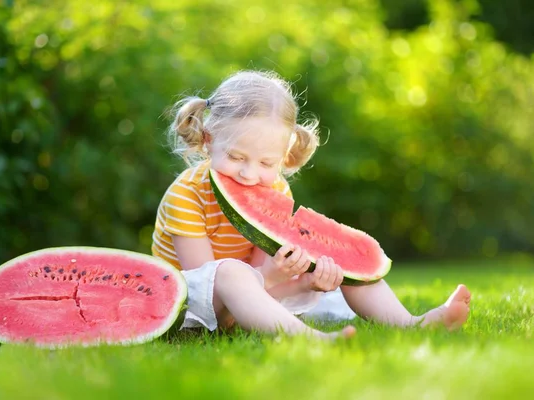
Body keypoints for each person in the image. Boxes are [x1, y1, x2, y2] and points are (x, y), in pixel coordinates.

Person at [152, 70, 471, 341]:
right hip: (192, 309)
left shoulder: (276, 188)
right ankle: (311, 340)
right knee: (231, 271)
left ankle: (411, 324)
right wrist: (272, 277)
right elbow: (203, 288)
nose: (250, 175)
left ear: (283, 155)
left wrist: (306, 280)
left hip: (254, 297)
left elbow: (263, 278)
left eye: (266, 163)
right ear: (208, 139)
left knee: (344, 258)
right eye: (236, 157)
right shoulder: (187, 195)